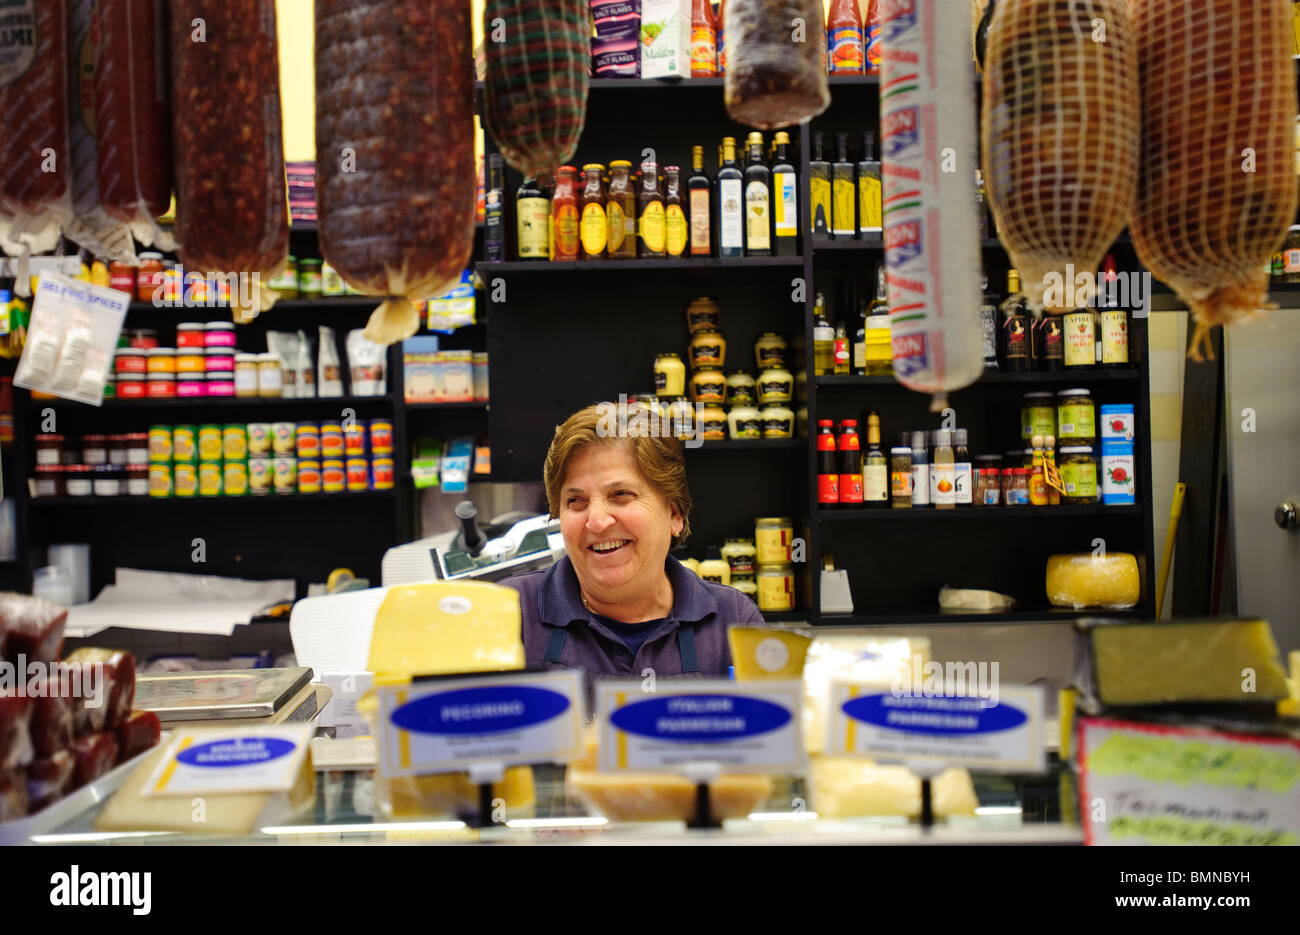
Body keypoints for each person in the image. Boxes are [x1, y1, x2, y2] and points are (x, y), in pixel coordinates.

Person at [502, 403, 764, 679]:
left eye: (621, 494)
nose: (597, 521)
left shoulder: (732, 620)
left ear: (675, 513)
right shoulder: (509, 613)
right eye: (575, 501)